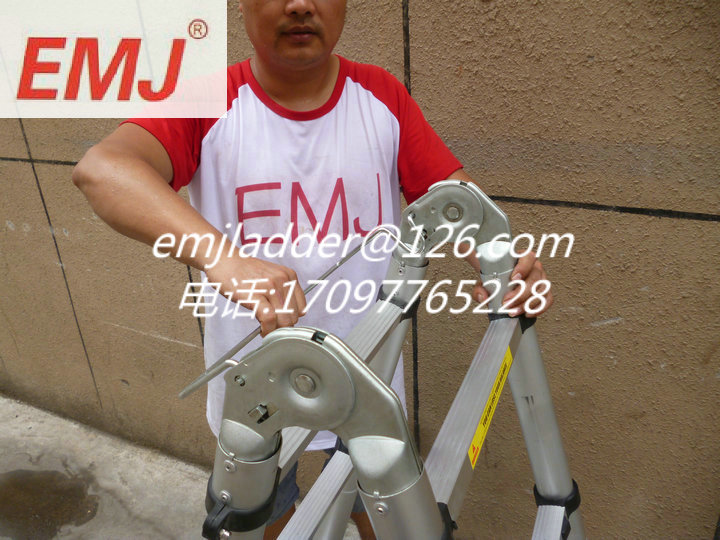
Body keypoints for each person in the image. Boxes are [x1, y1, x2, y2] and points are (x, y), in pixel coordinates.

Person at [72, 1, 553, 537]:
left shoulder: (381, 96)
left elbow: (454, 203)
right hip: (259, 394)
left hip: (369, 379)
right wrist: (224, 259)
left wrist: (503, 262)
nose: (300, 4)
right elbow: (103, 170)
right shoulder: (206, 101)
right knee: (270, 520)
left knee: (384, 518)